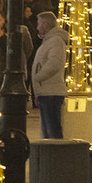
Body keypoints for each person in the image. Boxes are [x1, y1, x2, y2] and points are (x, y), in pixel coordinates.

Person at [32, 12, 68, 140]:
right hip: (45, 92)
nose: (37, 27)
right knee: (48, 131)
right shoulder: (48, 41)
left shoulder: (55, 41)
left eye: (39, 24)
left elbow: (53, 64)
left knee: (52, 131)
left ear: (46, 25)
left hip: (51, 93)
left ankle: (56, 157)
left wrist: (38, 77)